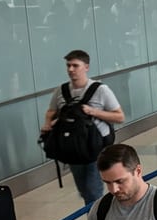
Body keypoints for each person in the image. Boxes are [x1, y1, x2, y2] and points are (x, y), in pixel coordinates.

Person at [41, 50, 125, 205]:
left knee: (93, 190)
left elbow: (119, 116)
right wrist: (48, 123)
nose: (71, 69)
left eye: (75, 65)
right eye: (68, 66)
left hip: (96, 148)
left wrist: (93, 111)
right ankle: (99, 214)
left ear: (86, 67)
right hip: (72, 148)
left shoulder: (100, 90)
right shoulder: (62, 90)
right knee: (84, 190)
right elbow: (51, 111)